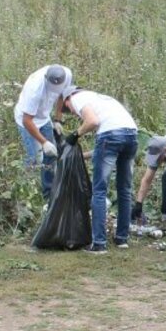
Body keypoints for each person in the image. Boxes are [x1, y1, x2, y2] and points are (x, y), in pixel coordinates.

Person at [57, 86, 138, 254]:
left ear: (67, 99)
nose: (72, 112)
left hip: (110, 135)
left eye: (69, 110)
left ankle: (99, 243)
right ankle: (122, 239)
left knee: (99, 190)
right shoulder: (100, 98)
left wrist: (75, 135)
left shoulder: (77, 98)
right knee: (124, 189)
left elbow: (93, 122)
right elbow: (105, 148)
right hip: (131, 135)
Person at [13, 64, 72, 201]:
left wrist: (58, 120)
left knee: (50, 156)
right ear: (47, 80)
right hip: (26, 121)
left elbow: (62, 97)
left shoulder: (66, 74)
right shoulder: (35, 88)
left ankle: (48, 192)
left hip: (44, 118)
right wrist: (44, 142)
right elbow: (27, 120)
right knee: (34, 158)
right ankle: (25, 190)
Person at [132, 128, 166, 227]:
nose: (157, 161)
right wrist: (139, 204)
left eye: (159, 158)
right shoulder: (157, 146)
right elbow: (147, 180)